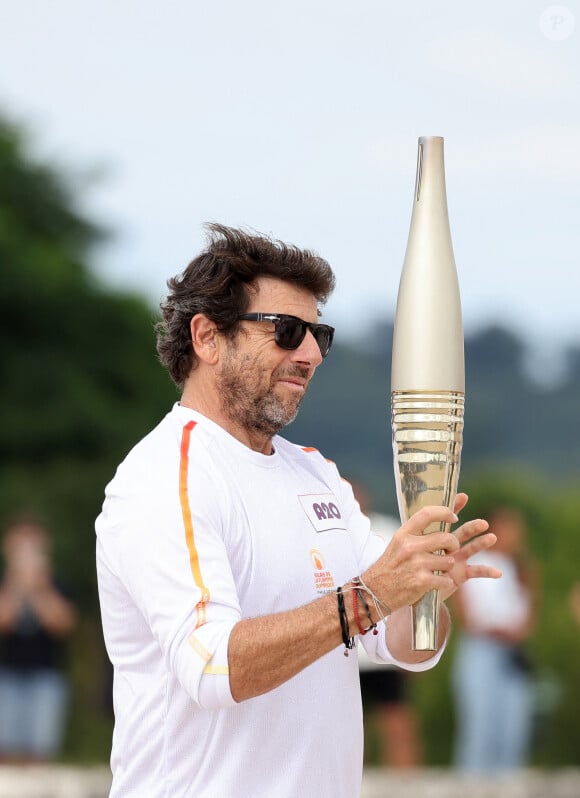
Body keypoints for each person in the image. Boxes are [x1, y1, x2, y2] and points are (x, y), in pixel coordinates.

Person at [95, 223, 500, 798]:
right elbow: (215, 668)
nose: (310, 354)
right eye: (286, 331)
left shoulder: (315, 473)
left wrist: (426, 589)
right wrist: (374, 594)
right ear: (209, 338)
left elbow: (403, 647)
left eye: (318, 334)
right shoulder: (167, 476)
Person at [451, 506, 540, 773]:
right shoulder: (473, 564)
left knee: (514, 728)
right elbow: (465, 615)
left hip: (512, 653)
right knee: (479, 727)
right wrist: (494, 630)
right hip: (481, 649)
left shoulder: (523, 568)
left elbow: (530, 615)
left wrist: (516, 631)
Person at [352, 482, 423, 769]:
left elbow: (410, 590)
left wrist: (413, 646)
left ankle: (404, 783)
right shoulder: (325, 534)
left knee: (397, 722)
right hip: (341, 649)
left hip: (382, 649)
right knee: (349, 727)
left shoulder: (389, 531)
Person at [0, 517, 77, 763]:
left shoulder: (56, 583)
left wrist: (39, 589)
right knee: (6, 753)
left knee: (41, 754)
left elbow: (63, 624)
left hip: (47, 677)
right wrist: (16, 585)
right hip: (7, 676)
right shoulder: (5, 583)